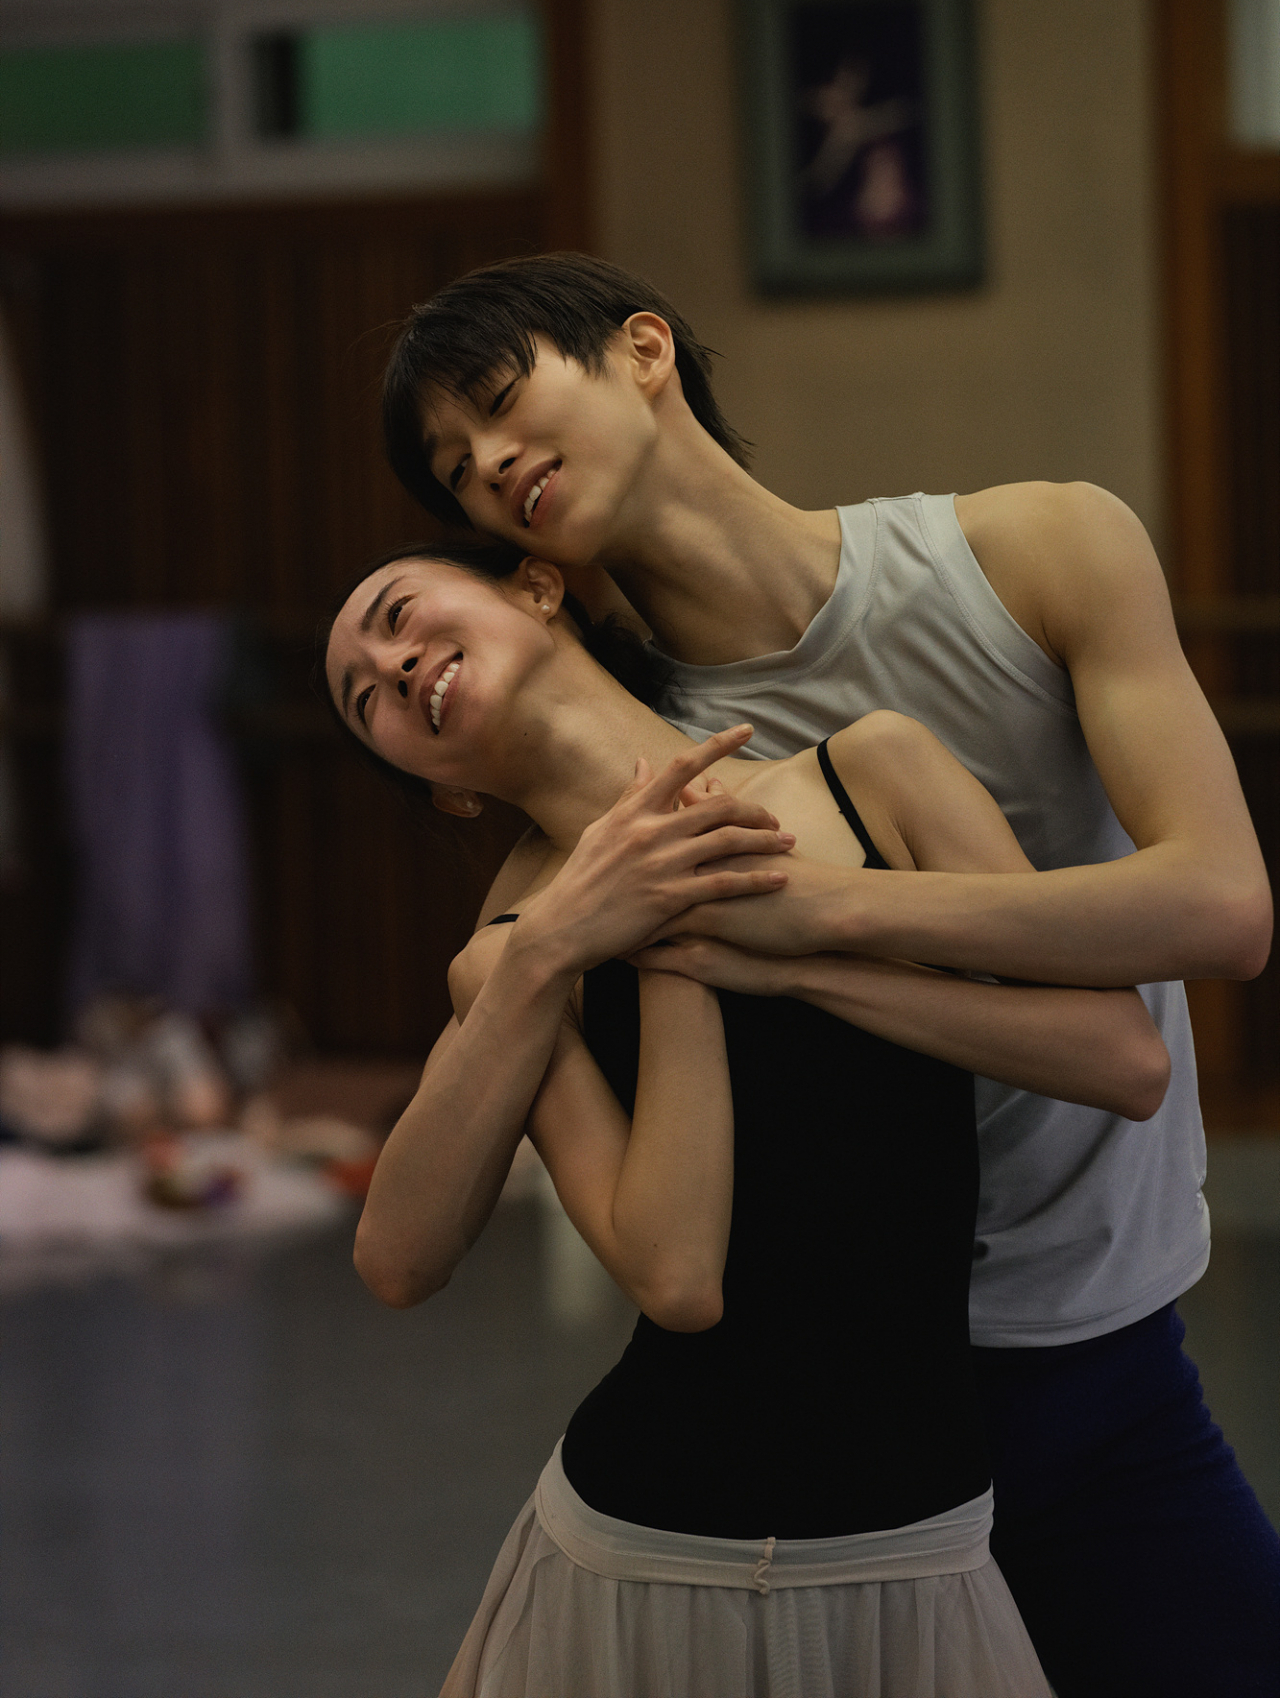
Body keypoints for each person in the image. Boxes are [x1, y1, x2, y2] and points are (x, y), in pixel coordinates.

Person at [376, 253, 1278, 1698]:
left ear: (646, 350)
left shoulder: (1037, 551)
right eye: (456, 473)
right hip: (835, 1413)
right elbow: (481, 1246)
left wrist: (822, 926)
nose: (487, 463)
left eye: (498, 402)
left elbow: (1222, 912)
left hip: (1094, 1354)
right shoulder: (622, 813)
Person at [327, 540, 1173, 1697]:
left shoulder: (872, 774)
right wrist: (599, 942)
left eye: (393, 614)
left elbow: (1121, 1058)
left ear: (533, 586)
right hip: (643, 1559)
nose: (390, 666)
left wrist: (801, 964)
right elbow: (654, 1279)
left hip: (918, 1543)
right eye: (361, 696)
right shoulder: (511, 964)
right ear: (446, 789)